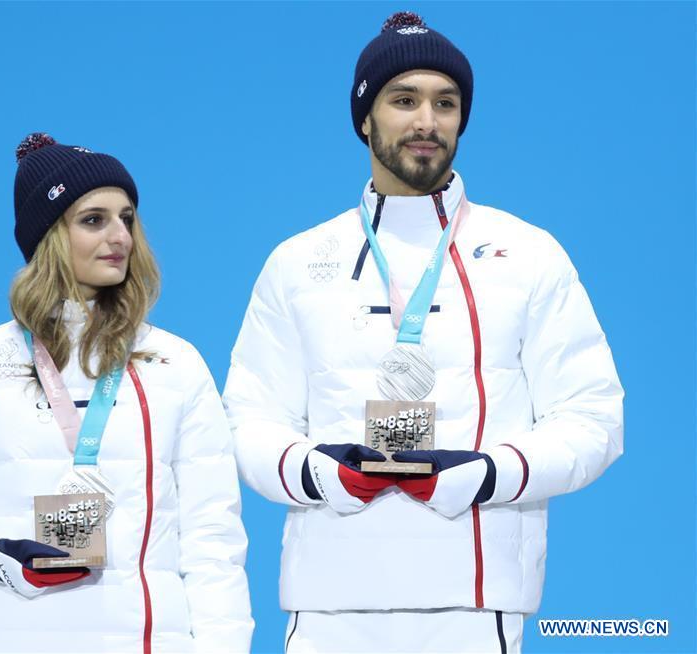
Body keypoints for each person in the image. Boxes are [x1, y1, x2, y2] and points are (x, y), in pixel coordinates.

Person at [223, 11, 623, 653]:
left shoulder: (529, 253)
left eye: (445, 102)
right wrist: (315, 472)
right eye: (403, 100)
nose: (426, 122)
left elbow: (595, 418)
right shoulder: (298, 261)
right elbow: (245, 421)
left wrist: (487, 474)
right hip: (328, 606)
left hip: (474, 603)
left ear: (463, 118)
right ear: (364, 118)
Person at [0, 133, 253, 653]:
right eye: (93, 219)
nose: (119, 236)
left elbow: (213, 543)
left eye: (127, 217)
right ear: (49, 235)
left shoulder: (176, 363)